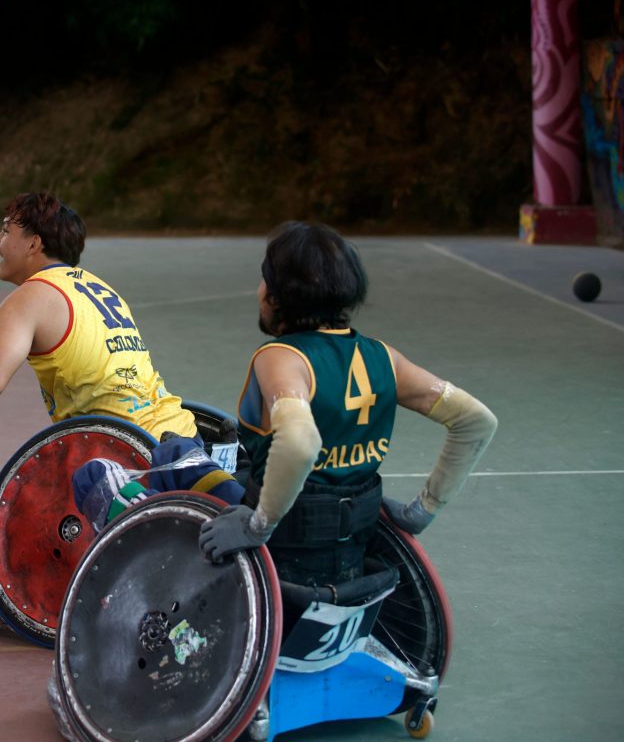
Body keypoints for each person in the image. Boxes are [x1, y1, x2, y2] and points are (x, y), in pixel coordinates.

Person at [198, 221, 498, 587]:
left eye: (264, 279)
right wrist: (423, 510)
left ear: (276, 296)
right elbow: (475, 420)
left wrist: (258, 525)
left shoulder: (281, 357)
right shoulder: (383, 357)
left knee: (185, 465)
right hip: (356, 542)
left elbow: (299, 443)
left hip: (285, 548)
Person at [0, 192, 204, 485]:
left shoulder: (30, 297)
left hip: (129, 455)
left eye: (6, 231)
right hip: (183, 436)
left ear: (34, 244)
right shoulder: (101, 288)